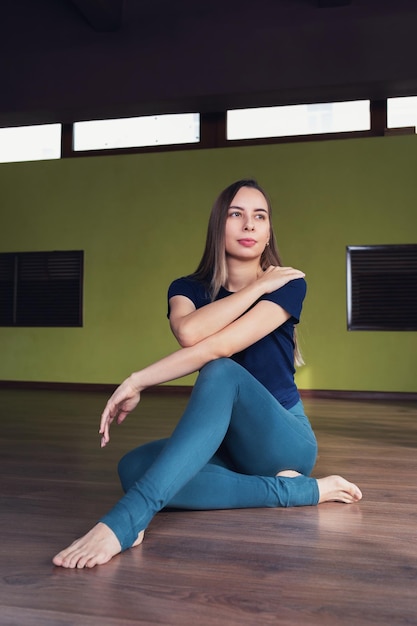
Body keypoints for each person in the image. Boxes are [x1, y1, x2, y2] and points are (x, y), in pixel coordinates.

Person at [53, 179, 362, 569]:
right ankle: (297, 491)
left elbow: (216, 347)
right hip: (227, 448)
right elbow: (189, 332)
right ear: (219, 226)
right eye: (237, 214)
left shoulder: (287, 283)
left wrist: (138, 380)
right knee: (131, 467)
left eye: (259, 217)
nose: (249, 225)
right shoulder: (186, 289)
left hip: (283, 440)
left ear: (268, 234)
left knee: (220, 370)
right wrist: (253, 289)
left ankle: (128, 519)